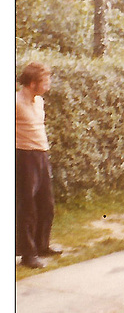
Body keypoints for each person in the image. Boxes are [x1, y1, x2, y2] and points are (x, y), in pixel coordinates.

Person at [16, 62, 60, 268]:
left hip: (42, 155)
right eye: (45, 81)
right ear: (32, 83)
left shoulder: (39, 101)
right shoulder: (15, 101)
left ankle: (42, 245)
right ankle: (27, 254)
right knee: (27, 206)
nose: (49, 84)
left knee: (46, 204)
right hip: (24, 157)